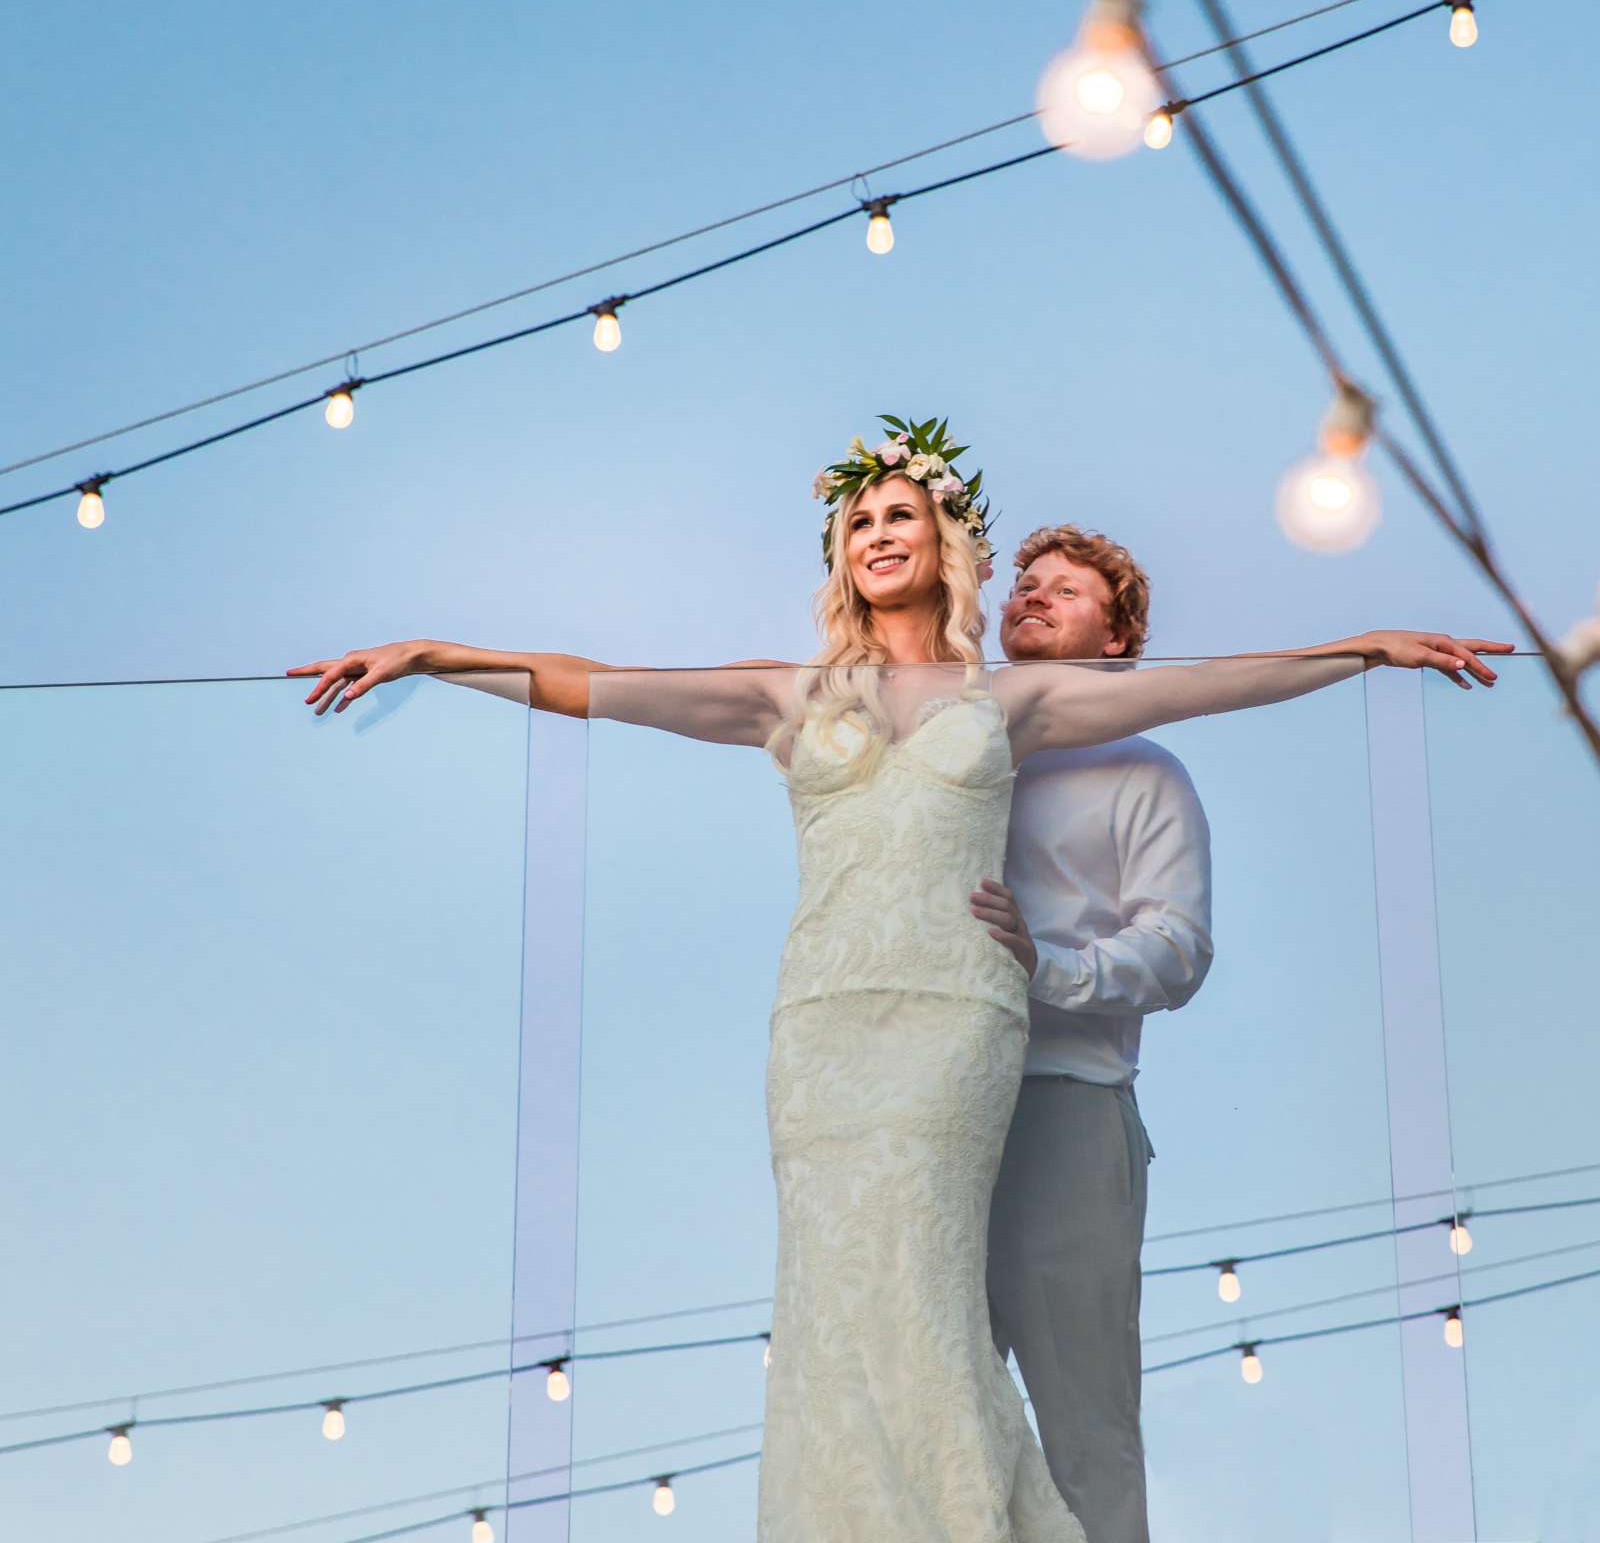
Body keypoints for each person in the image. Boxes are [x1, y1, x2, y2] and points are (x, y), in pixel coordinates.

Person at [290, 416, 1506, 1542]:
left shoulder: (1011, 700)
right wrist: (437, 655)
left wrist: (1365, 651)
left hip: (955, 1029)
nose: (878, 536)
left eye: (901, 517)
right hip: (820, 1032)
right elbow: (598, 687)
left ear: (945, 545)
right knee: (840, 1308)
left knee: (923, 1299)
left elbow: (1211, 684)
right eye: (857, 523)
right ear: (841, 555)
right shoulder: (789, 692)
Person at [976, 523, 1209, 1543]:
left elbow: (1180, 945)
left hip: (1066, 1107)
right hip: (926, 1109)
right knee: (934, 1407)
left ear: (1119, 643)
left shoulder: (1144, 773)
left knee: (1084, 1426)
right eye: (1023, 584)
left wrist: (1050, 969)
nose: (1029, 595)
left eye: (1063, 591)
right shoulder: (951, 744)